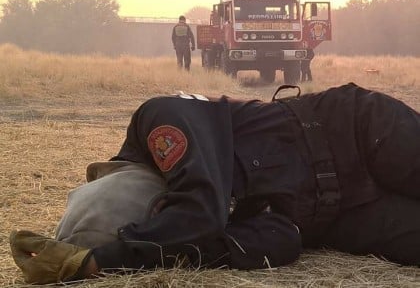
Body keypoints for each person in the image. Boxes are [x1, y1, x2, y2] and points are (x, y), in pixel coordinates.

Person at [9, 82, 420, 284]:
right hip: (344, 214)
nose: (164, 218)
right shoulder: (189, 223)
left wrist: (98, 262)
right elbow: (281, 240)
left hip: (354, 132)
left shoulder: (158, 119)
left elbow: (199, 212)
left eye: (156, 216)